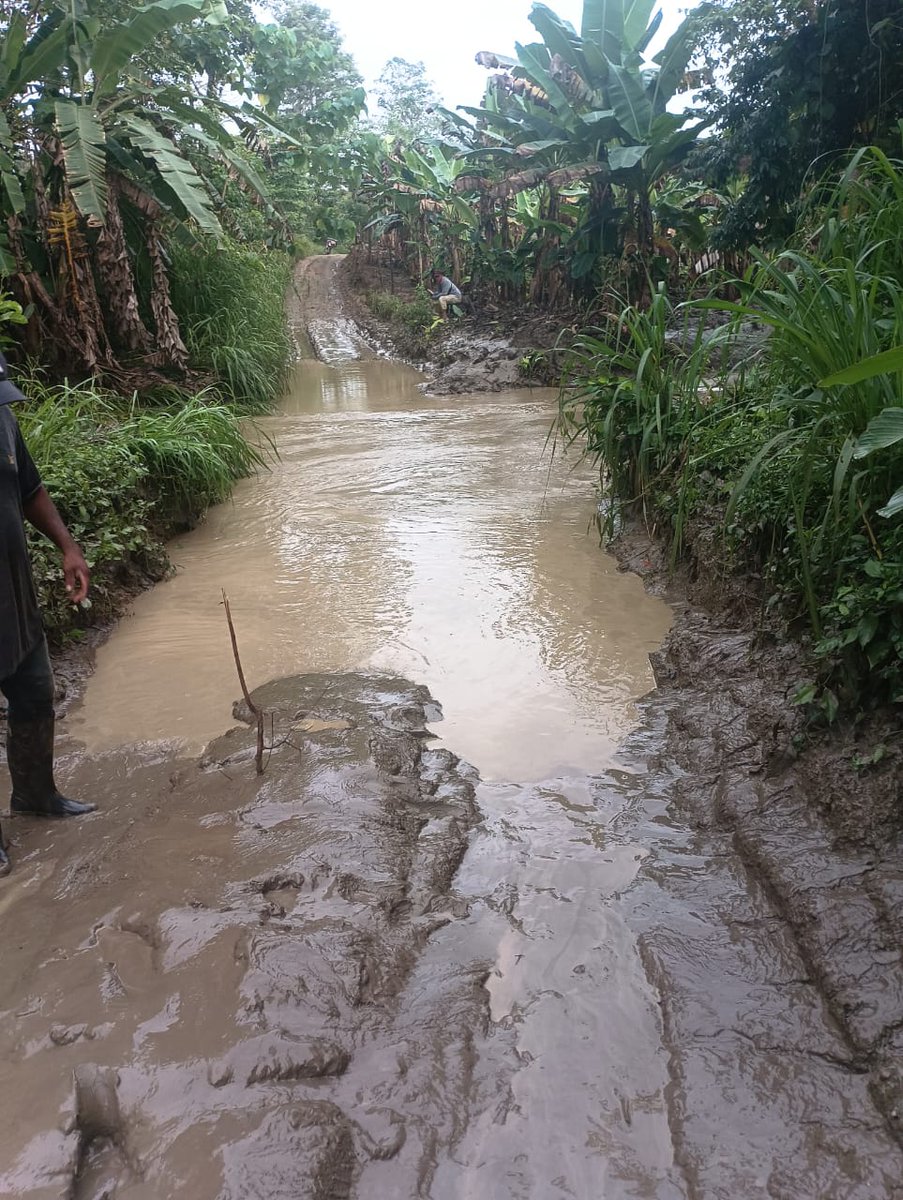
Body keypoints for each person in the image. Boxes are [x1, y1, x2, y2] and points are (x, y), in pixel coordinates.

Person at [0, 352, 95, 877]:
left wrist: (68, 546)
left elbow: (29, 488)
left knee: (35, 691)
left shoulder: (3, 419)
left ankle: (36, 796)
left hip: (11, 591)